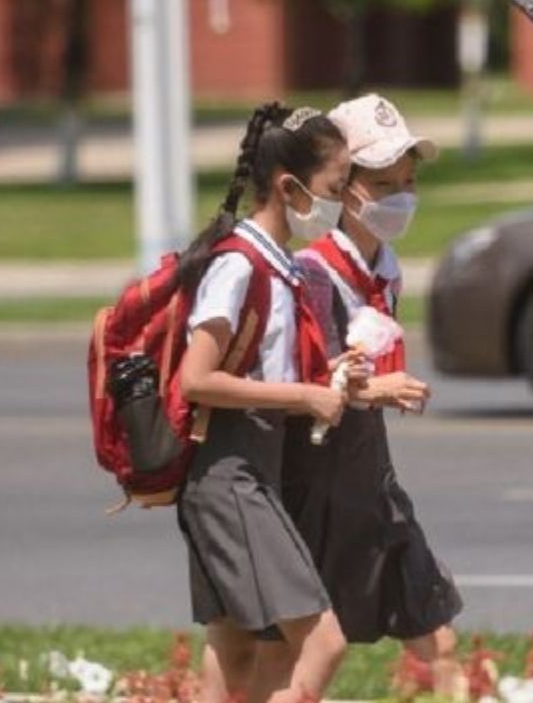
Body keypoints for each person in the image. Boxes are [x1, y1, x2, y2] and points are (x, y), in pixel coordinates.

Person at [177, 102, 366, 703]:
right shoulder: (239, 264)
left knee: (233, 650)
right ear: (289, 187)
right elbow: (196, 379)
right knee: (323, 642)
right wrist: (305, 393)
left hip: (254, 472)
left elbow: (259, 373)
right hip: (230, 479)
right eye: (336, 187)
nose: (343, 202)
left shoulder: (278, 266)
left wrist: (323, 382)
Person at [278, 94, 464, 696]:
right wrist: (372, 387)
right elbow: (303, 376)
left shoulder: (386, 267)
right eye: (383, 184)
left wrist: (383, 387)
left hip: (371, 480)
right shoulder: (311, 269)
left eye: (408, 182)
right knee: (298, 661)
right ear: (341, 184)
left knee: (438, 640)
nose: (401, 197)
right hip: (316, 487)